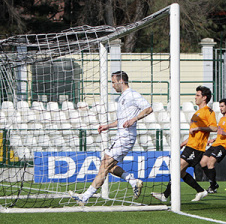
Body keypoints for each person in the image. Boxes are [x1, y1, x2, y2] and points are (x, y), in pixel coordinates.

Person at [69, 71, 153, 205]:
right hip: (120, 136)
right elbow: (121, 120)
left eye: (113, 82)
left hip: (126, 137)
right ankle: (133, 181)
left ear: (121, 81)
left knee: (104, 165)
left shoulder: (132, 94)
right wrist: (107, 126)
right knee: (110, 167)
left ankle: (84, 197)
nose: (112, 85)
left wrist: (134, 119)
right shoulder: (122, 98)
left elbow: (148, 109)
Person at [151, 86, 217, 202]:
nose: (195, 97)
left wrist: (199, 128)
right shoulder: (197, 113)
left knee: (178, 168)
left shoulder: (208, 111)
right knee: (180, 172)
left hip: (197, 148)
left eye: (198, 95)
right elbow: (193, 133)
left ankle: (165, 195)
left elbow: (214, 128)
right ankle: (200, 191)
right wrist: (183, 143)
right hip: (190, 145)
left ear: (204, 98)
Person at [200, 98, 226, 194]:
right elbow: (220, 133)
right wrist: (213, 139)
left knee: (210, 162)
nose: (220, 108)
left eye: (222, 106)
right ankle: (214, 184)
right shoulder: (221, 119)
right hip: (216, 143)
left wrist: (225, 133)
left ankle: (212, 187)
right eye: (220, 106)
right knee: (202, 162)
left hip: (223, 146)